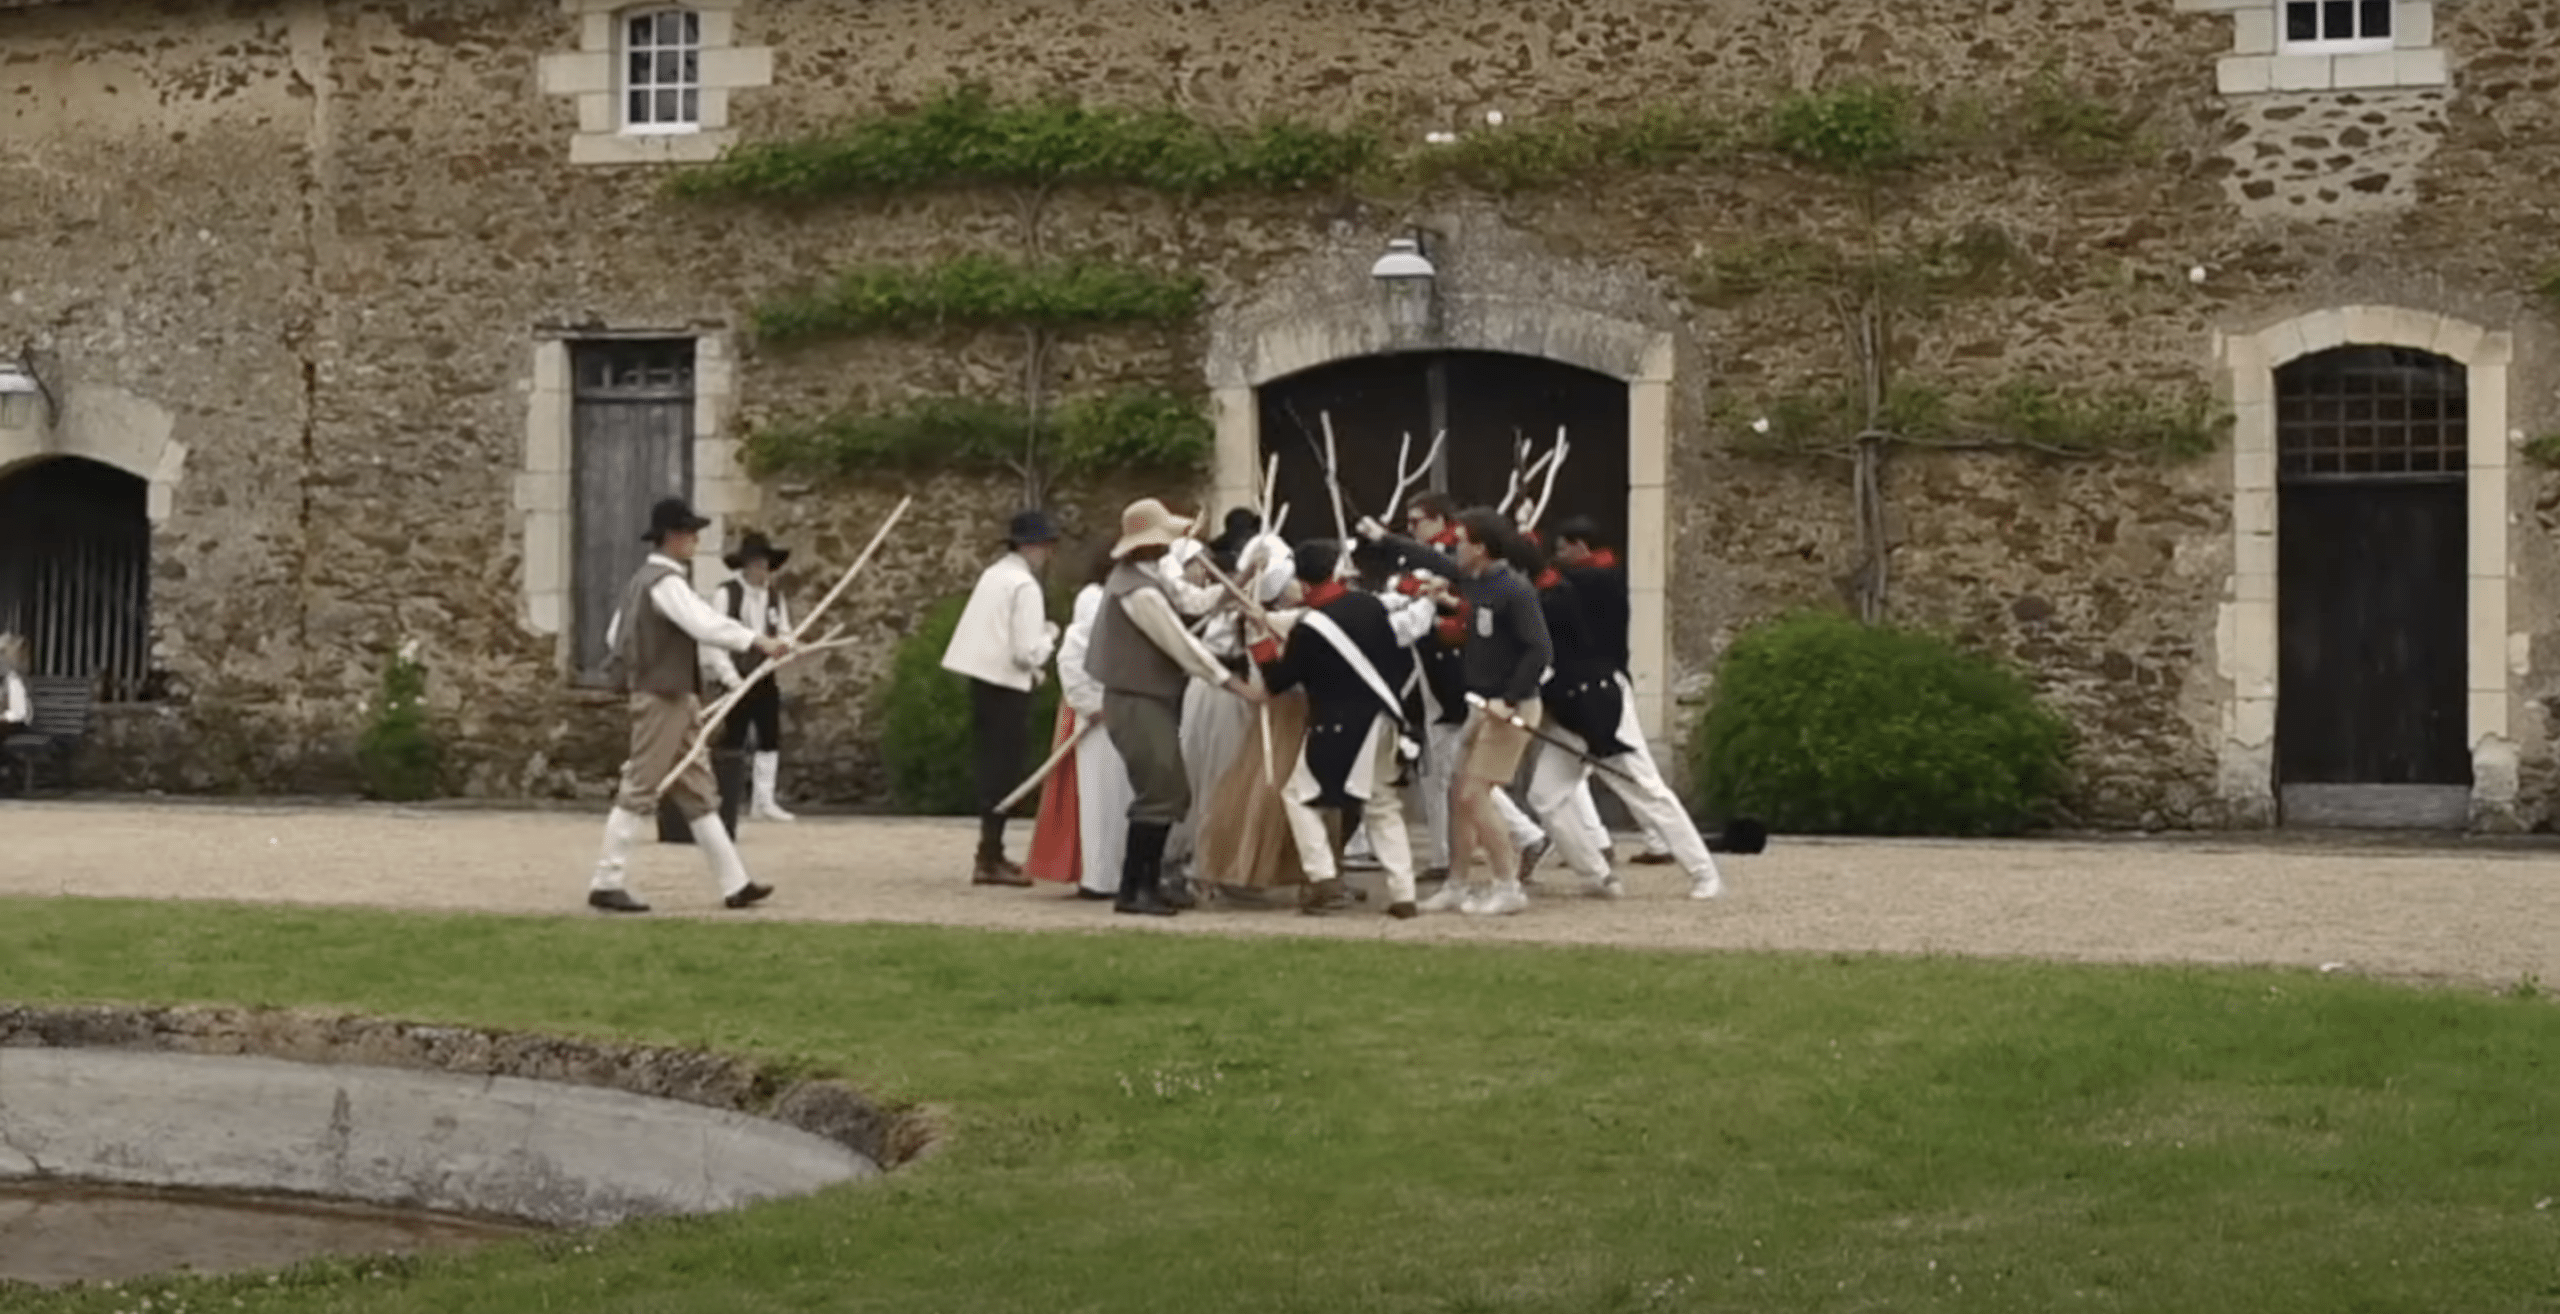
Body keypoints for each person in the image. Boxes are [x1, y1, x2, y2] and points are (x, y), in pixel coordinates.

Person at [587, 497, 790, 914]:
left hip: (674, 695)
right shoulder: (664, 582)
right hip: (662, 697)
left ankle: (736, 882)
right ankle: (607, 880)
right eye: (690, 533)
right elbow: (703, 624)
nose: (696, 540)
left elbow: (615, 637)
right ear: (673, 537)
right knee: (642, 784)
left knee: (698, 791)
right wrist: (756, 640)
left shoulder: (643, 581)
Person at [1363, 507, 1552, 916]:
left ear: (1481, 548)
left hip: (1509, 706)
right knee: (1457, 796)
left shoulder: (1515, 590)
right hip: (1481, 704)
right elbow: (1433, 560)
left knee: (1474, 795)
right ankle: (1457, 883)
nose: (1456, 547)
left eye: (1463, 541)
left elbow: (1539, 648)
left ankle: (1508, 884)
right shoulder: (1475, 579)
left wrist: (1511, 696)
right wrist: (1385, 539)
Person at [1085, 498, 1265, 916]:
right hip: (1135, 699)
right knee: (1160, 791)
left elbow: (1194, 603)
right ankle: (1135, 889)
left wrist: (1239, 578)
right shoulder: (1137, 590)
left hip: (1152, 698)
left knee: (1168, 790)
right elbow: (1181, 647)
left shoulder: (1150, 576)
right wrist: (1234, 684)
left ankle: (1145, 884)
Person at [1549, 515, 1725, 900]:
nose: (1558, 556)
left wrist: (1523, 551)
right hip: (1567, 703)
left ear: (1580, 547)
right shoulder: (1579, 582)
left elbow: (1558, 589)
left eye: (1563, 548)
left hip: (1600, 697)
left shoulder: (1598, 580)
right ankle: (1597, 875)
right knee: (1545, 796)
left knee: (1647, 789)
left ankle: (1703, 871)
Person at [1251, 541, 1423, 918]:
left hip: (1337, 725)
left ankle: (1322, 878)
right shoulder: (1369, 606)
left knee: (1298, 796)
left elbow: (1278, 681)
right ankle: (1403, 893)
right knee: (1382, 805)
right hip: (1384, 717)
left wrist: (1260, 644)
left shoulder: (1309, 628)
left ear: (1302, 580)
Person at [941, 509, 1063, 886]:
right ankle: (989, 855)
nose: (1047, 553)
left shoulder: (995, 575)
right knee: (1004, 770)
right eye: (1043, 545)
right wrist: (1050, 637)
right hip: (1007, 686)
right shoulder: (1023, 586)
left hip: (986, 682)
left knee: (994, 765)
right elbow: (1025, 651)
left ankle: (991, 851)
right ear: (1030, 546)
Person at [1025, 545, 1130, 900]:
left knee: (1116, 793)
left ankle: (1110, 872)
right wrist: (1090, 703)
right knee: (1098, 793)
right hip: (1096, 708)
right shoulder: (1095, 601)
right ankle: (1098, 875)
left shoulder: (1112, 598)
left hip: (1114, 704)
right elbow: (1075, 652)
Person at [702, 531, 799, 823]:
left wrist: (789, 646)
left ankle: (763, 801)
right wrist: (731, 679)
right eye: (757, 564)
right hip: (736, 677)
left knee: (769, 736)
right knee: (734, 739)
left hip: (764, 676)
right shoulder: (726, 593)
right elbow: (714, 640)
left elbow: (784, 632)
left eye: (766, 564)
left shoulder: (773, 596)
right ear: (745, 565)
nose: (762, 570)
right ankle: (725, 800)